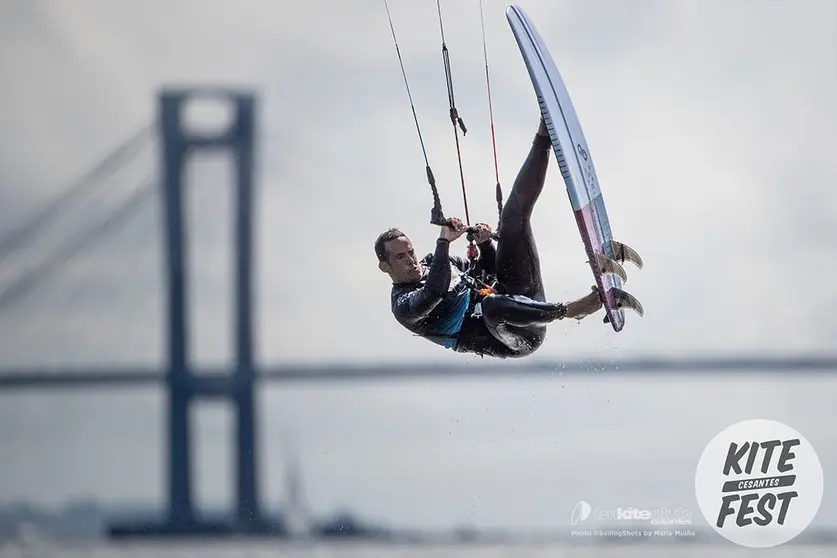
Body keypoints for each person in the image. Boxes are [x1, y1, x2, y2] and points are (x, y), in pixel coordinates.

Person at [375, 118, 603, 358]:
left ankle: (543, 136)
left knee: (511, 219)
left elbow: (490, 271)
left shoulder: (434, 263)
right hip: (516, 336)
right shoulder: (403, 306)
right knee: (491, 306)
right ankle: (569, 310)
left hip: (521, 299)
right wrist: (443, 242)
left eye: (410, 252)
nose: (411, 260)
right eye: (400, 257)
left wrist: (485, 245)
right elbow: (434, 292)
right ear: (385, 266)